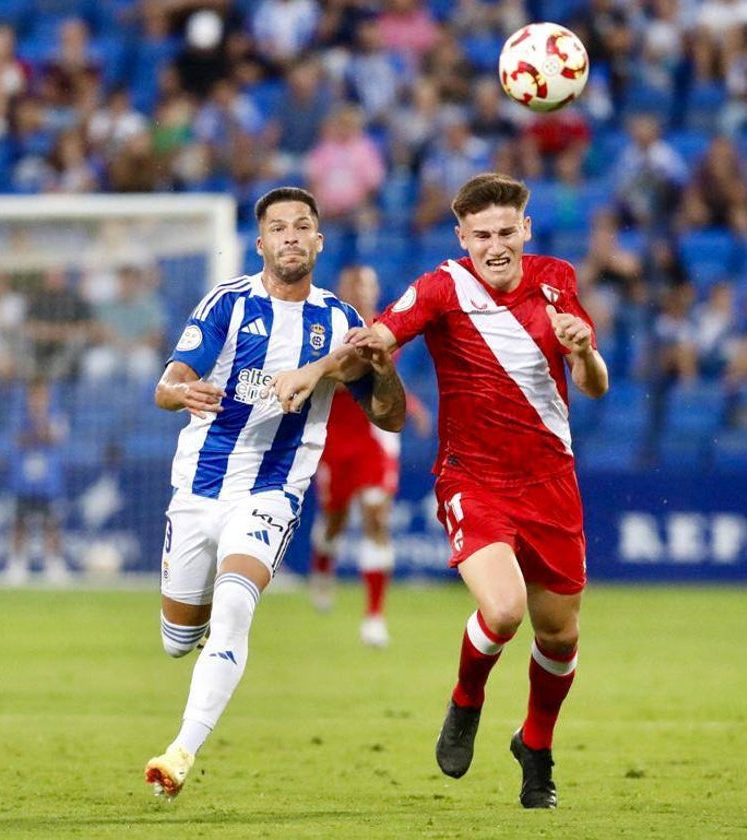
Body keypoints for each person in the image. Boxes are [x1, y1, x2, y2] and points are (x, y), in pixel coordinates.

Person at [347, 173, 610, 809]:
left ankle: (535, 746)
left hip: (551, 482)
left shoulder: (556, 280)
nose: (496, 245)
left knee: (560, 638)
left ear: (526, 229)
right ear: (462, 236)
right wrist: (369, 346)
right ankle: (466, 700)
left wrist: (584, 354)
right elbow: (386, 331)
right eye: (481, 234)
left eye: (505, 232)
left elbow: (595, 384)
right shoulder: (443, 285)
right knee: (503, 611)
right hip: (473, 477)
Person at [143, 187, 406, 799]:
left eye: (303, 226)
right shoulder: (227, 304)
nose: (291, 236)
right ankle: (204, 640)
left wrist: (382, 366)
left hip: (271, 493)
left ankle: (180, 753)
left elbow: (389, 418)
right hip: (200, 488)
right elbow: (167, 385)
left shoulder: (341, 323)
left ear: (318, 241)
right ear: (260, 243)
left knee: (236, 610)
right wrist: (182, 393)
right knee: (177, 641)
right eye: (279, 228)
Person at [308, 265, 431, 647]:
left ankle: (375, 617)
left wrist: (409, 404)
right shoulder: (324, 327)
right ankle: (322, 566)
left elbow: (384, 377)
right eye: (353, 284)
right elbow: (326, 378)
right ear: (341, 289)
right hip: (334, 437)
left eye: (368, 285)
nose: (361, 291)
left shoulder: (385, 328)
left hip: (374, 437)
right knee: (335, 518)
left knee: (377, 515)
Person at [4, 380, 69, 585]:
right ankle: (16, 562)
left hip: (48, 480)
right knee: (19, 522)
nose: (38, 401)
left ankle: (53, 563)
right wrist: (35, 430)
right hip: (23, 478)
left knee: (51, 523)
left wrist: (39, 424)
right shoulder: (18, 416)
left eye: (42, 396)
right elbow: (17, 439)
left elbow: (54, 437)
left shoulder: (57, 416)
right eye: (34, 396)